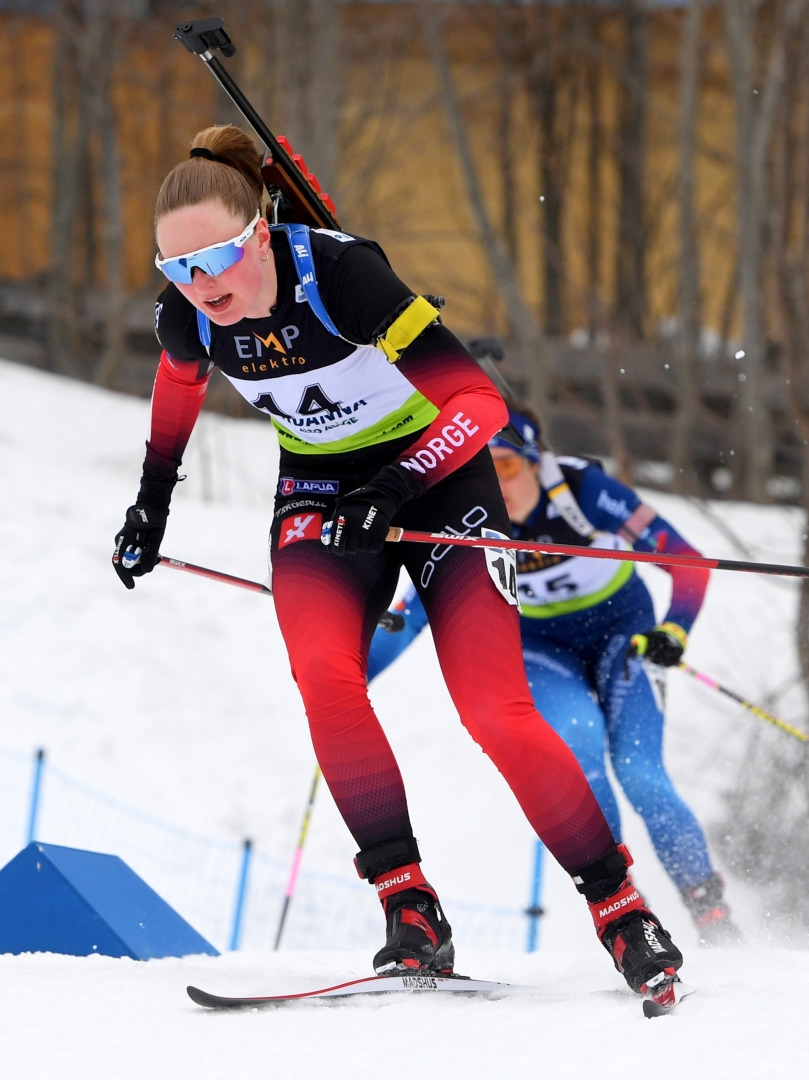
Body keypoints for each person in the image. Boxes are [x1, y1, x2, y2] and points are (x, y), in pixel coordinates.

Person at [110, 125, 684, 996]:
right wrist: (154, 497)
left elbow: (478, 402)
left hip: (442, 476)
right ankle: (407, 905)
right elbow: (178, 383)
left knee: (495, 710)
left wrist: (396, 481)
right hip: (318, 489)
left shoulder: (339, 274)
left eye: (216, 259)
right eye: (176, 269)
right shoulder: (187, 311)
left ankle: (619, 908)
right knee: (323, 674)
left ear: (258, 234)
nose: (200, 286)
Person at [367, 409, 738, 944]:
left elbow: (686, 561)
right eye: (484, 471)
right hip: (544, 651)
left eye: (510, 466)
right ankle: (630, 913)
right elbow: (410, 619)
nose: (499, 484)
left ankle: (714, 917)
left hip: (622, 634)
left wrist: (674, 629)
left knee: (639, 773)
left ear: (539, 463)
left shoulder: (586, 492)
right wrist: (357, 675)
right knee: (580, 756)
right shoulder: (466, 516)